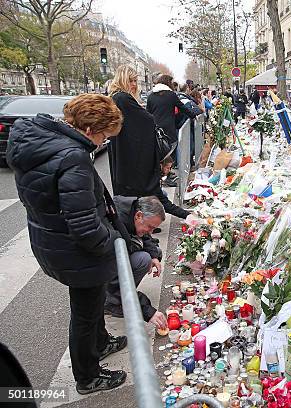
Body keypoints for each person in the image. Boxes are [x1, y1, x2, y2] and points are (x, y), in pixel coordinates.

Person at [7, 94, 127, 394]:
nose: (103, 143)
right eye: (103, 136)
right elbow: (85, 226)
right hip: (75, 250)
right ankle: (87, 376)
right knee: (85, 313)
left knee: (92, 303)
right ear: (89, 128)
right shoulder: (72, 156)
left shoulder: (43, 144)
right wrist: (114, 242)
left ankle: (100, 343)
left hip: (52, 239)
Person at [108, 65, 190, 219]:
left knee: (136, 198)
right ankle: (141, 228)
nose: (134, 84)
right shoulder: (122, 98)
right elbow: (146, 120)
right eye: (131, 80)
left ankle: (143, 226)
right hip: (133, 161)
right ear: (122, 80)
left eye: (135, 81)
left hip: (126, 158)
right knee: (139, 197)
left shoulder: (117, 98)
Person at [104, 196, 168, 330]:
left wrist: (154, 256)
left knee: (153, 253)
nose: (151, 232)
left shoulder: (133, 215)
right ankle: (112, 301)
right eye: (150, 227)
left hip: (117, 258)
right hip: (105, 269)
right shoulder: (116, 224)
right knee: (143, 259)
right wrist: (147, 310)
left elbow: (145, 237)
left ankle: (122, 299)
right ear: (139, 216)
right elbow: (123, 274)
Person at [147, 74, 198, 161]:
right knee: (171, 150)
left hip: (156, 128)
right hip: (169, 128)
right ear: (167, 83)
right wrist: (193, 115)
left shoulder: (151, 96)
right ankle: (169, 170)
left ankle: (160, 171)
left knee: (159, 150)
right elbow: (182, 108)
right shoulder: (171, 95)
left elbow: (148, 112)